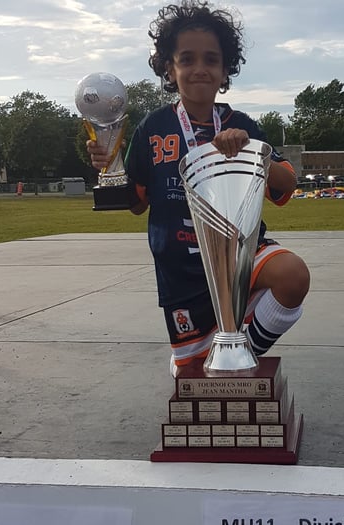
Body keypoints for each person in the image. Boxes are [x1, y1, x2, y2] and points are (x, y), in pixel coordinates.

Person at [87, 0, 310, 375]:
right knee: (191, 375)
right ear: (169, 69)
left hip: (242, 258)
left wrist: (252, 153)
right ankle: (210, 357)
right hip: (182, 272)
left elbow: (286, 184)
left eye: (211, 59)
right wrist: (110, 165)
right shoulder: (152, 128)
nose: (200, 69)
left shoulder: (242, 125)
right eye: (187, 59)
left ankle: (240, 351)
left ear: (225, 71)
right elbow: (136, 203)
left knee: (293, 275)